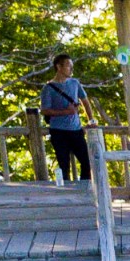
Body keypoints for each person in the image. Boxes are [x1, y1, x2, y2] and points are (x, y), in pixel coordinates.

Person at [39, 53, 98, 183]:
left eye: (72, 66)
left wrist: (91, 119)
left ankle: (84, 189)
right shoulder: (48, 88)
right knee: (64, 165)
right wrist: (66, 111)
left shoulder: (75, 83)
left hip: (76, 130)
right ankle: (67, 192)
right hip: (58, 131)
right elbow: (45, 110)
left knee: (87, 161)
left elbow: (85, 101)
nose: (71, 69)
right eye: (68, 66)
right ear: (58, 67)